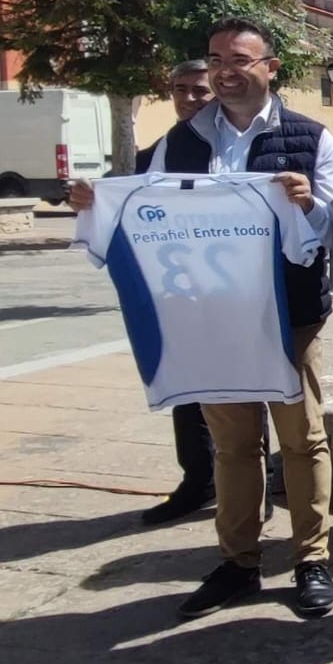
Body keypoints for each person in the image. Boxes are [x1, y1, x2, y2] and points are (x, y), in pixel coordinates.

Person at [83, 20, 333, 622]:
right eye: (215, 59)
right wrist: (93, 204)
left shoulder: (310, 138)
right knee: (231, 446)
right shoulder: (178, 142)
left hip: (288, 315)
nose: (225, 69)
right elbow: (141, 210)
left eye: (240, 58)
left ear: (271, 67)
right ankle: (238, 562)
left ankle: (311, 558)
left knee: (301, 439)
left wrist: (309, 202)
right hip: (208, 318)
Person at [131, 61, 218, 528]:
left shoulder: (231, 146)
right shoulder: (154, 156)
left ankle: (254, 483)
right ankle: (199, 480)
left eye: (199, 91)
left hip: (237, 292)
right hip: (178, 293)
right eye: (180, 90)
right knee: (186, 390)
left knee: (249, 392)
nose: (189, 99)